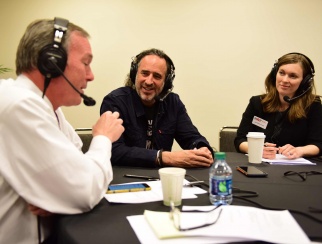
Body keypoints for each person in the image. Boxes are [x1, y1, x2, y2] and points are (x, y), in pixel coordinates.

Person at [0, 18, 124, 243]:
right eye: (85, 63)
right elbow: (85, 189)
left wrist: (59, 194)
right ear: (51, 62)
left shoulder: (48, 108)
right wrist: (103, 138)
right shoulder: (19, 104)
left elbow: (78, 168)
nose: (91, 75)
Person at [100, 48, 213, 168]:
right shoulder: (115, 101)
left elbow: (191, 137)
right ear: (135, 75)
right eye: (145, 73)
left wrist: (202, 149)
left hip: (161, 179)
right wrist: (163, 157)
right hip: (125, 177)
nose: (149, 81)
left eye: (157, 76)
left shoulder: (173, 103)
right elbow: (114, 150)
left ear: (166, 82)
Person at [235, 52, 322, 159]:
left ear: (305, 82)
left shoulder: (313, 105)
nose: (285, 80)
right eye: (281, 73)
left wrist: (299, 150)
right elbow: (240, 140)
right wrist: (257, 150)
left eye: (293, 76)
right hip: (260, 164)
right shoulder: (257, 102)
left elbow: (318, 144)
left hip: (294, 168)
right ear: (274, 73)